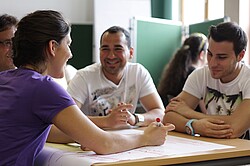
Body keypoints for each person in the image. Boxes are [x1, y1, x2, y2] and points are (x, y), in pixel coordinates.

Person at [0, 10, 175, 165]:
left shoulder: (4, 79)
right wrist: (145, 137)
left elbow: (51, 133)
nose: (70, 53)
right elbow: (104, 144)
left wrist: (86, 135)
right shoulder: (44, 88)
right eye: (68, 44)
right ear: (52, 47)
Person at [163, 21, 249, 140]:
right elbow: (169, 117)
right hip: (211, 147)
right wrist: (195, 126)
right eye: (210, 54)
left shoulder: (247, 79)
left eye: (221, 57)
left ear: (240, 55)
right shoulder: (200, 75)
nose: (212, 63)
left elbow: (234, 128)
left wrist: (189, 113)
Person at [67, 26, 165, 129]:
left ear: (130, 53)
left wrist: (134, 119)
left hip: (127, 138)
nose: (111, 56)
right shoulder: (83, 76)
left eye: (118, 49)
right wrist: (106, 121)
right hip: (93, 138)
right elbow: (67, 118)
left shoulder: (138, 72)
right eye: (105, 49)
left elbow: (160, 113)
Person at [158, 33, 208, 113]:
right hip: (190, 121)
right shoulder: (197, 75)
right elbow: (207, 111)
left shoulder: (173, 72)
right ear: (202, 55)